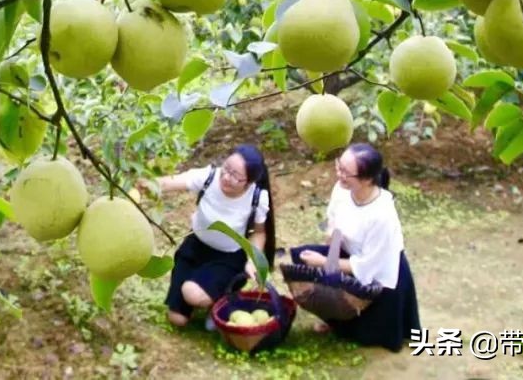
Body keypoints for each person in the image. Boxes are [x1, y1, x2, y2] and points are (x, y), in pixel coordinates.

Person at [290, 142, 420, 351]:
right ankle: (334, 316)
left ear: (367, 179)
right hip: (347, 253)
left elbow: (369, 266)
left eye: (345, 172)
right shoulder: (343, 189)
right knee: (302, 260)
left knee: (369, 333)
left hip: (377, 269)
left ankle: (351, 322)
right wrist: (329, 250)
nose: (339, 174)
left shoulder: (382, 215)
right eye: (338, 167)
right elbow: (334, 226)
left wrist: (325, 262)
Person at [139, 144, 276, 328]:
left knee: (191, 292)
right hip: (195, 248)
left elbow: (259, 233)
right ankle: (202, 292)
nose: (226, 177)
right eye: (226, 168)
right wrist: (144, 185)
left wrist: (253, 261)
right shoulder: (209, 176)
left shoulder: (257, 198)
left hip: (227, 258)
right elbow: (170, 183)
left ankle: (220, 300)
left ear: (249, 182)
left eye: (236, 176)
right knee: (177, 319)